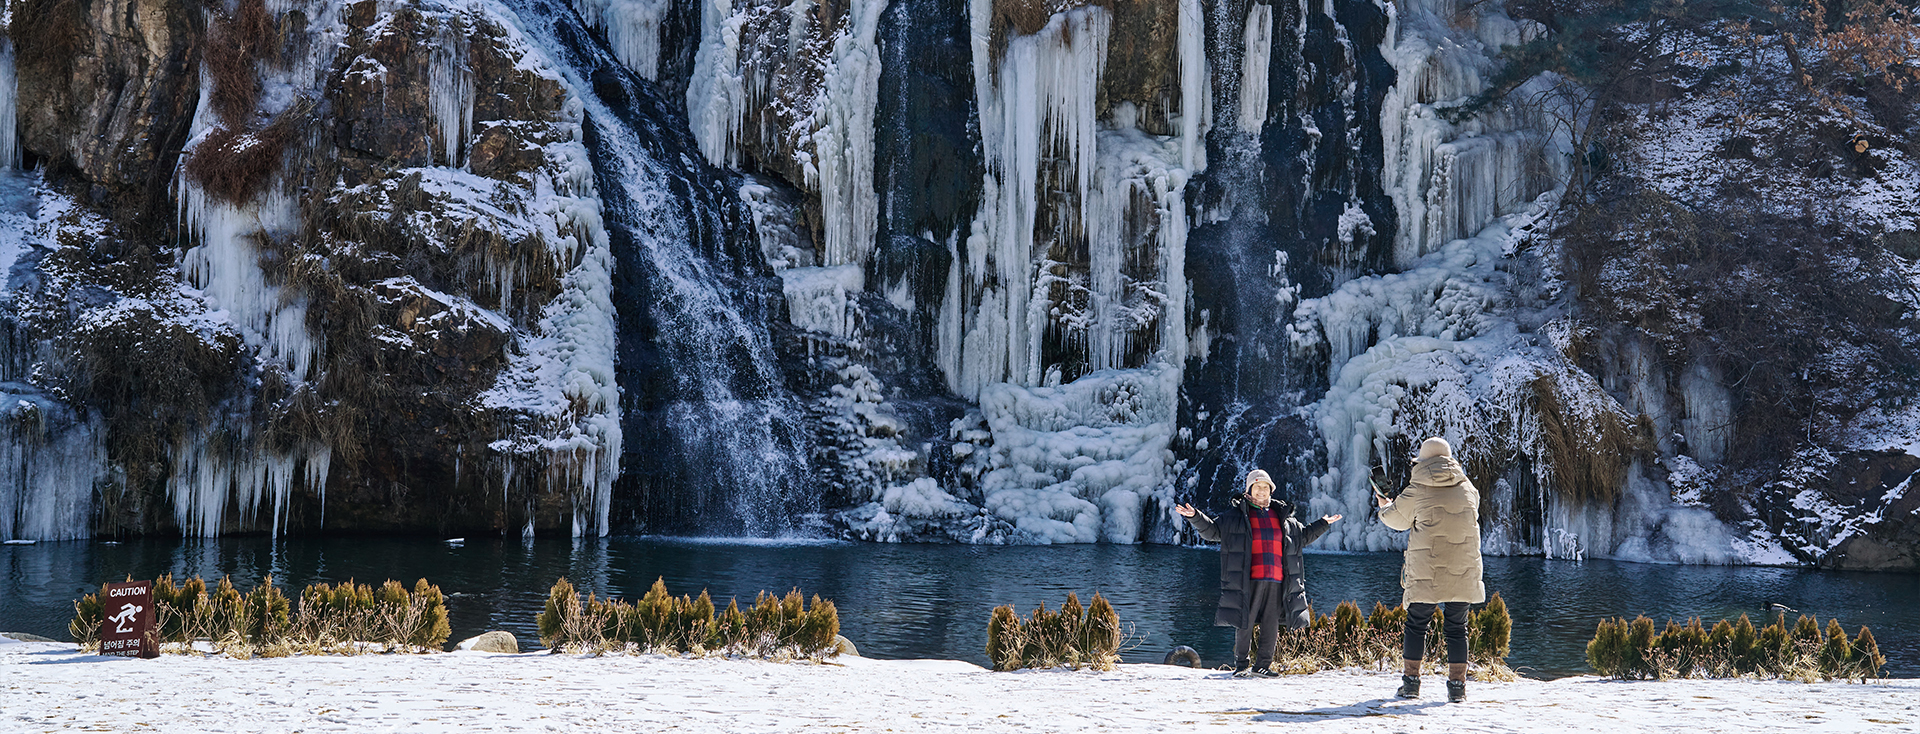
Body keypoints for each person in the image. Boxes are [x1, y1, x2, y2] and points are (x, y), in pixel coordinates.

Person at [1175, 469, 1342, 677]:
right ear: (1249, 490)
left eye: (1266, 487)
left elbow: (1302, 537)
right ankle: (1242, 665)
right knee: (1245, 620)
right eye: (1257, 487)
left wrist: (1323, 524)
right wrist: (1195, 517)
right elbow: (1213, 532)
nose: (1261, 491)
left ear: (1271, 491)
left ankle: (1262, 664)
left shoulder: (1283, 517)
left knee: (1271, 624)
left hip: (1277, 578)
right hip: (1249, 578)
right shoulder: (1236, 516)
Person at [1375, 437, 1485, 702]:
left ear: (1423, 461)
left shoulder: (1419, 488)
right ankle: (1457, 688)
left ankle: (1411, 684)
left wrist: (1383, 505)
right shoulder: (1468, 488)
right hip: (1463, 567)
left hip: (1428, 568)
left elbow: (1397, 520)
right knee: (1458, 628)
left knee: (1416, 624)